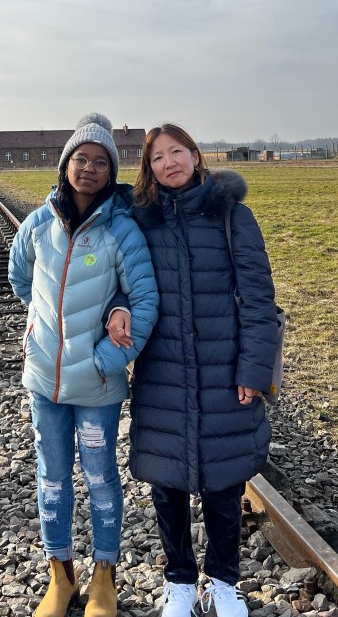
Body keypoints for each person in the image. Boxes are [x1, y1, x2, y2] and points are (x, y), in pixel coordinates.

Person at [108, 124, 278, 617]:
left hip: (223, 369)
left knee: (225, 483)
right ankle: (179, 581)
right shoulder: (141, 221)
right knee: (167, 484)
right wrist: (117, 307)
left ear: (196, 156)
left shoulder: (232, 216)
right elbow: (121, 280)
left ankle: (223, 582)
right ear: (149, 168)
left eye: (176, 151)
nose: (169, 163)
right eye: (157, 157)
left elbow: (260, 300)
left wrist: (253, 370)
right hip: (162, 370)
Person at [8, 113, 158, 617]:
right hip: (44, 383)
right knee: (51, 478)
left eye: (100, 162)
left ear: (111, 172)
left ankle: (104, 579)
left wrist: (105, 358)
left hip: (97, 386)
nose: (89, 169)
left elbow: (145, 303)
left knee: (99, 478)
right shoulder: (38, 223)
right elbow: (20, 278)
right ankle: (60, 577)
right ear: (65, 165)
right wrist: (39, 328)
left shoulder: (123, 231)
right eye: (81, 159)